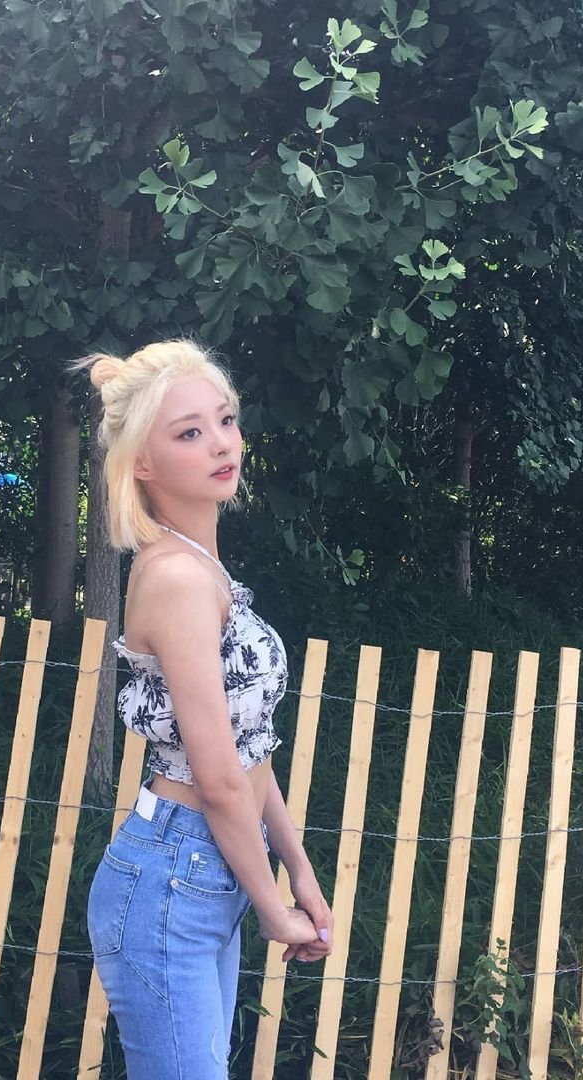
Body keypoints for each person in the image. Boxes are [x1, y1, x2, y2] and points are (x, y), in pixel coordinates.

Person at [77, 340, 334, 1079]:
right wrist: (273, 908)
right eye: (189, 432)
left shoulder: (203, 567)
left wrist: (297, 868)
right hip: (173, 875)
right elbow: (217, 779)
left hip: (206, 868)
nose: (221, 443)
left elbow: (249, 750)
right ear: (142, 464)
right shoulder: (178, 579)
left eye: (224, 420)